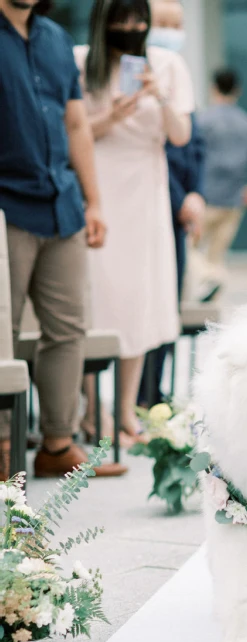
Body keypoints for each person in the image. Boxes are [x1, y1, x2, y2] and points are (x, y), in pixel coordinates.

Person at [0, 0, 125, 479]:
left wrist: (93, 202)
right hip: (7, 207)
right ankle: (3, 446)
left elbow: (76, 124)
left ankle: (57, 444)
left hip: (63, 207)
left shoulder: (53, 38)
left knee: (68, 330)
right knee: (1, 332)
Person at [75, 0, 194, 444]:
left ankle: (126, 411)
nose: (131, 27)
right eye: (121, 19)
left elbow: (180, 135)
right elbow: (75, 131)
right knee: (94, 299)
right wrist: (114, 114)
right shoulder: (79, 62)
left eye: (137, 19)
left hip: (145, 188)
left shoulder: (168, 64)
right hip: (99, 185)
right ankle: (91, 411)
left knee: (142, 296)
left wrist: (157, 95)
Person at [138, 0, 205, 406]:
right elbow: (148, 152)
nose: (170, 31)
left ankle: (153, 394)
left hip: (178, 215)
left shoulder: (178, 74)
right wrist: (180, 199)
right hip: (147, 208)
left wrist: (195, 193)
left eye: (176, 24)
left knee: (169, 305)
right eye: (162, 23)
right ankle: (139, 398)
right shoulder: (137, 76)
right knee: (144, 304)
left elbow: (193, 144)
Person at [195, 68, 247, 302]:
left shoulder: (203, 120)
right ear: (237, 90)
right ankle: (211, 289)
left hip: (205, 199)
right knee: (216, 256)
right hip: (233, 202)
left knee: (188, 250)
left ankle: (210, 280)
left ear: (213, 88)